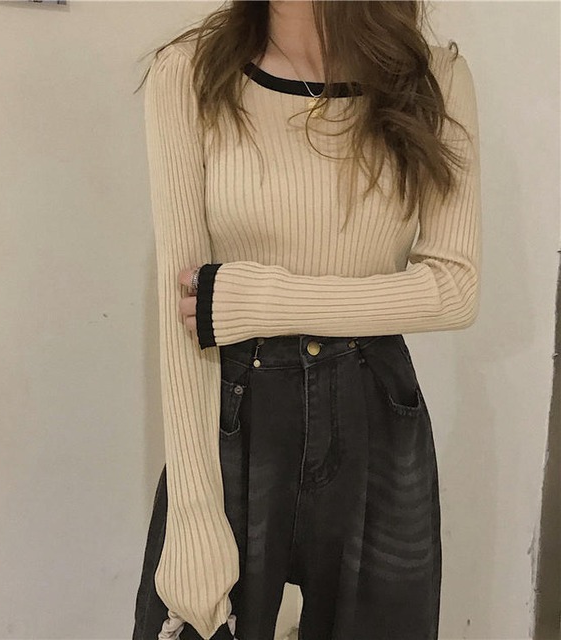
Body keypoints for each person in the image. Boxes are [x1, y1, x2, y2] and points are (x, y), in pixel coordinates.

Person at [132, 1, 481, 638]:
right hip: (232, 411)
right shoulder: (189, 73)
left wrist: (258, 300)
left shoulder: (433, 76)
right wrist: (193, 516)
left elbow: (455, 288)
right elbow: (182, 313)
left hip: (372, 410)